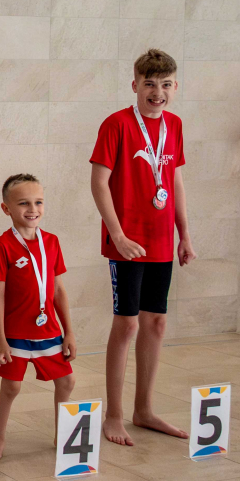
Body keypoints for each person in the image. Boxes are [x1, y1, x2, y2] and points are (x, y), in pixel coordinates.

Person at [90, 48, 195, 446]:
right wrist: (117, 234)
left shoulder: (175, 125)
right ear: (134, 85)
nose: (157, 92)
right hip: (127, 242)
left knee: (156, 323)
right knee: (128, 324)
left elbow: (175, 182)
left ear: (175, 87)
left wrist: (184, 234)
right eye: (149, 84)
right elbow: (99, 183)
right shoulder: (116, 124)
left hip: (161, 240)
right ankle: (114, 415)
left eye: (165, 85)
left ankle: (144, 410)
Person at [0, 174, 76, 460]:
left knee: (66, 382)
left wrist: (69, 331)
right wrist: (0, 340)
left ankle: (62, 433)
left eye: (38, 202)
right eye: (23, 203)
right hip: (16, 332)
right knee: (12, 386)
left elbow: (58, 290)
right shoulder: (2, 246)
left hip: (49, 330)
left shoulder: (52, 242)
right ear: (6, 209)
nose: (32, 209)